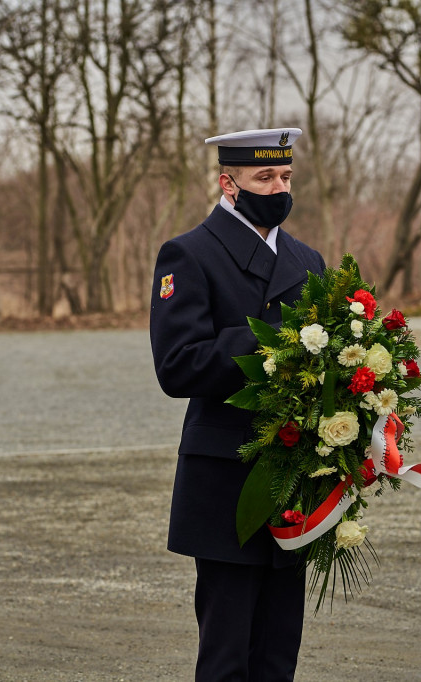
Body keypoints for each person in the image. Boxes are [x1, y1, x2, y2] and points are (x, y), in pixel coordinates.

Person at [149, 128, 325, 681]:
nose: (278, 188)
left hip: (294, 475)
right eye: (264, 177)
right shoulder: (190, 253)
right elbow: (177, 364)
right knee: (227, 655)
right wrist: (267, 339)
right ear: (229, 184)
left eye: (286, 177)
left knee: (278, 653)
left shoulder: (307, 258)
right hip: (226, 477)